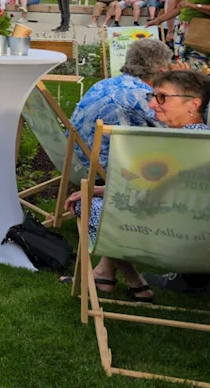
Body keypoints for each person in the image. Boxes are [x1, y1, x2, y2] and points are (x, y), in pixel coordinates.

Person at [63, 67, 208, 303]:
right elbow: (157, 191)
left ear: (193, 104)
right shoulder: (200, 141)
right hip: (198, 242)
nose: (152, 105)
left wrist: (90, 194)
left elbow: (142, 196)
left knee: (91, 207)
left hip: (157, 236)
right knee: (102, 201)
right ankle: (104, 274)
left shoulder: (177, 145)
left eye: (162, 97)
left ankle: (135, 281)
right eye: (153, 96)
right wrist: (97, 189)